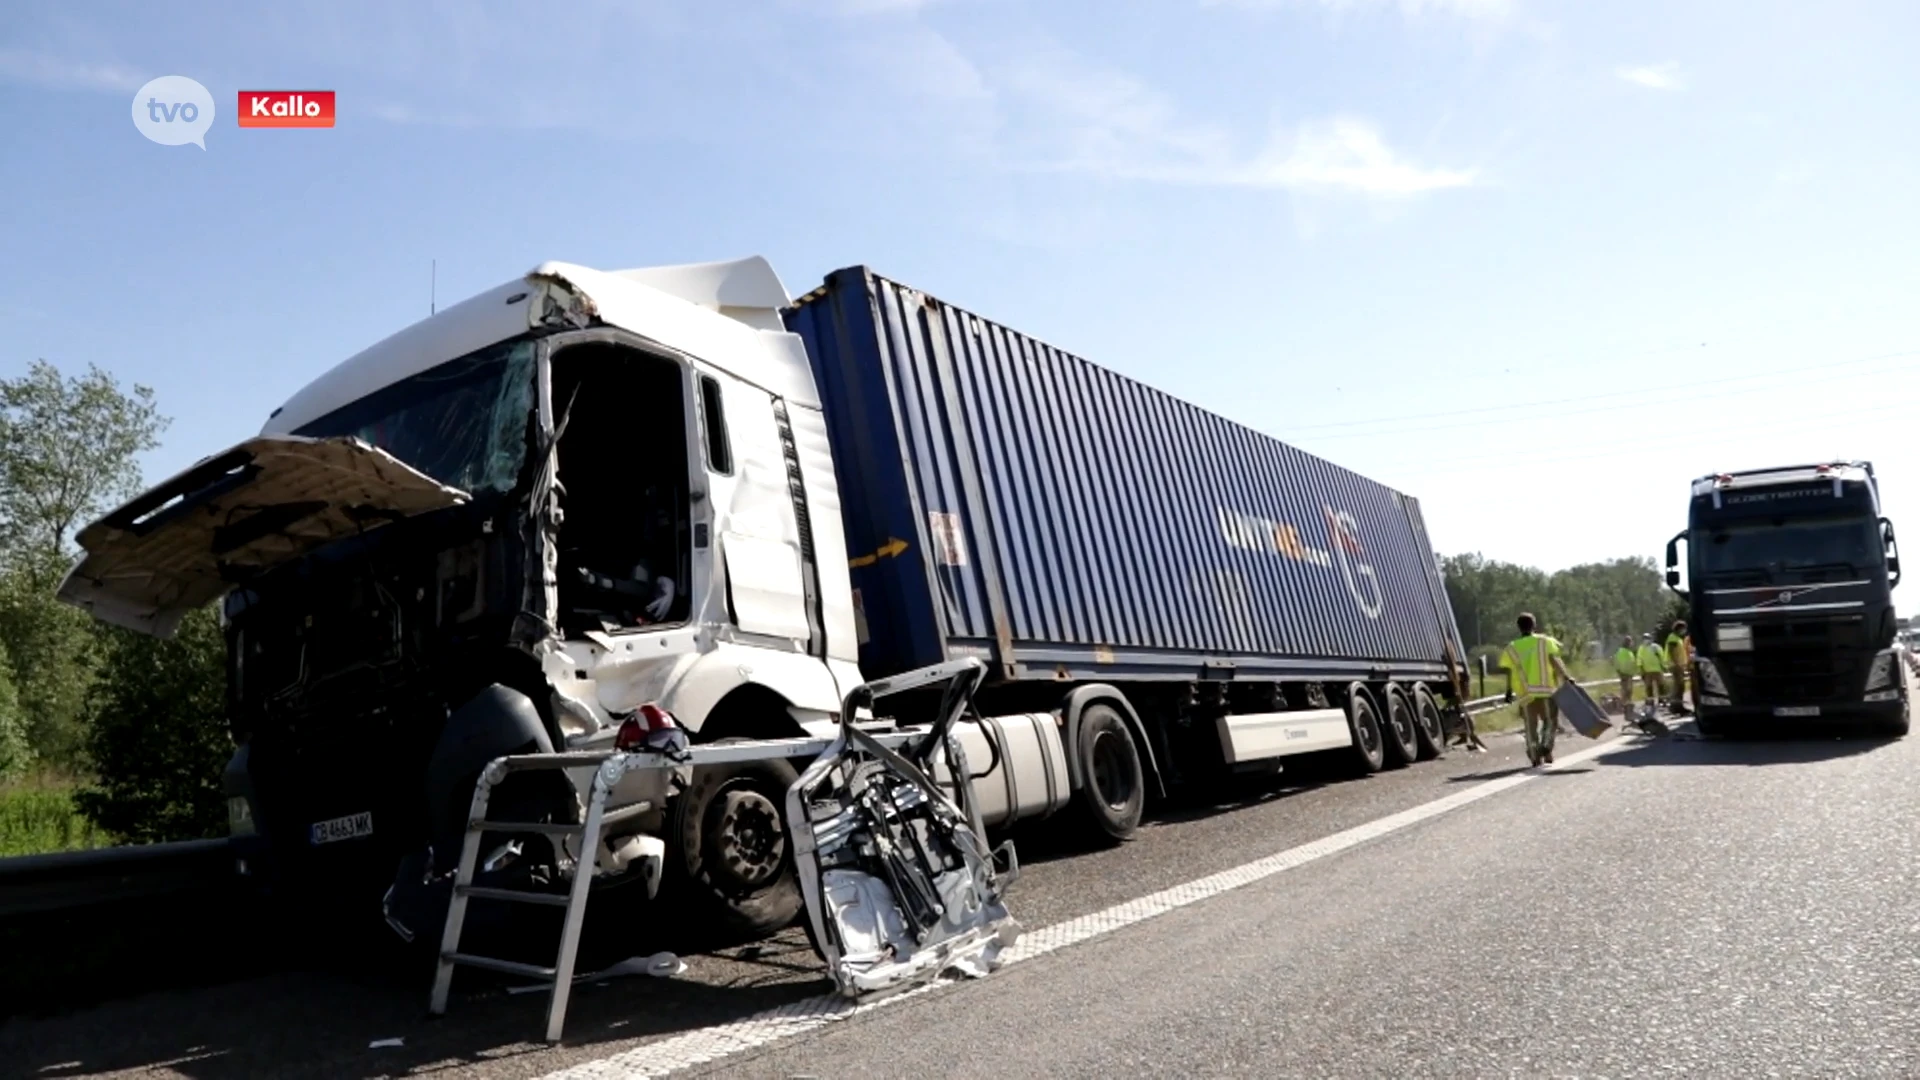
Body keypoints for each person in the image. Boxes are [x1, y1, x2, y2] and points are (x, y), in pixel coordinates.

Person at [1500, 613, 1577, 766]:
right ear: (1534, 625)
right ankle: (1546, 747)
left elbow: (1508, 671)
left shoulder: (1512, 648)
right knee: (1550, 721)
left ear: (1518, 627)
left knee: (1530, 726)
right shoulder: (1544, 642)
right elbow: (1555, 661)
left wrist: (1508, 691)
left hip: (1526, 693)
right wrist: (1567, 677)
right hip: (1546, 691)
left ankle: (1535, 755)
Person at [1665, 620, 1693, 715]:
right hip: (1676, 666)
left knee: (1680, 686)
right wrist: (1677, 664)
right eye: (1683, 628)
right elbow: (1672, 651)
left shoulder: (1677, 638)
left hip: (1679, 665)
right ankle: (1676, 707)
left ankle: (1678, 706)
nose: (1684, 631)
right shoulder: (1673, 638)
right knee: (1679, 687)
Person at [1637, 632, 1668, 715]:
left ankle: (1662, 701)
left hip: (1657, 670)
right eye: (1644, 638)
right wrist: (1641, 670)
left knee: (1661, 686)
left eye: (1647, 638)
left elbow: (1662, 657)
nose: (1645, 640)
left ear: (1650, 639)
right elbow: (1639, 659)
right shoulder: (1641, 648)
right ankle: (1651, 702)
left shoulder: (1656, 647)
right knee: (1649, 687)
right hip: (1647, 671)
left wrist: (1664, 666)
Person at [1614, 635, 1639, 715]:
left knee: (1629, 691)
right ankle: (1623, 706)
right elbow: (1617, 662)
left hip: (1629, 674)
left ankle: (1627, 706)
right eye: (1630, 642)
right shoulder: (1621, 652)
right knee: (1625, 691)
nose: (1631, 644)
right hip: (1625, 674)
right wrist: (1620, 672)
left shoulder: (1629, 652)